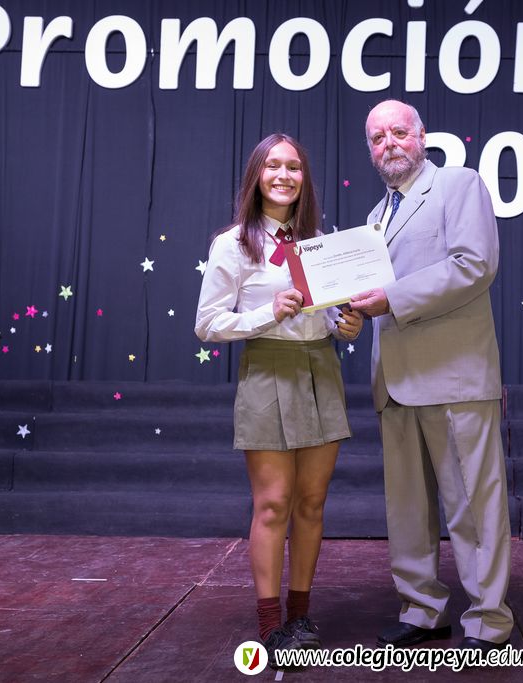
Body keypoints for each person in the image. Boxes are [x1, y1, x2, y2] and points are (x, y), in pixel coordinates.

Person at [349, 100, 513, 652]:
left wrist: (390, 299)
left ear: (422, 136)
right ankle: (422, 611)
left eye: (398, 132)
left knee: (474, 508)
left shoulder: (459, 184)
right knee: (408, 511)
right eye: (377, 138)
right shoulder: (375, 218)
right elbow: (372, 297)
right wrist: (350, 313)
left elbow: (474, 265)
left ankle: (488, 622)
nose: (389, 144)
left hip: (454, 378)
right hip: (394, 384)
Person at [194, 133, 362, 660]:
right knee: (273, 505)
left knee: (311, 504)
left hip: (321, 371)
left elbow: (330, 314)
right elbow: (207, 324)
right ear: (257, 176)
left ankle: (300, 614)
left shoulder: (320, 241)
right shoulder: (234, 244)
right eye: (273, 166)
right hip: (267, 369)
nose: (284, 175)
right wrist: (268, 313)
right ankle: (270, 623)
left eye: (294, 166)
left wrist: (345, 324)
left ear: (304, 178)